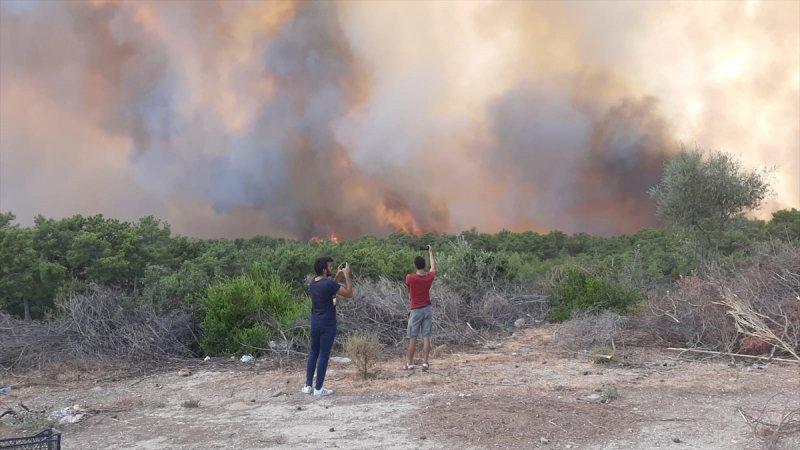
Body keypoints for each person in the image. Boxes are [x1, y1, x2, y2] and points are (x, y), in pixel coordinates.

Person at [302, 256, 353, 397]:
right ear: (324, 269)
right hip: (328, 324)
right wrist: (347, 275)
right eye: (330, 267)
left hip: (315, 323)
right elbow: (349, 293)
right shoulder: (328, 284)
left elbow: (330, 288)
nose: (331, 268)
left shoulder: (313, 283)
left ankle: (308, 386)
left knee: (313, 353)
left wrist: (337, 275)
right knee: (324, 354)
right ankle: (319, 389)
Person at [404, 245, 436, 372]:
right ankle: (425, 363)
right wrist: (430, 252)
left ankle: (410, 363)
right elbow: (433, 268)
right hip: (427, 309)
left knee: (413, 337)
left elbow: (408, 289)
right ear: (424, 265)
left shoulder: (410, 277)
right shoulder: (429, 278)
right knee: (426, 336)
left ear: (415, 265)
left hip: (415, 310)